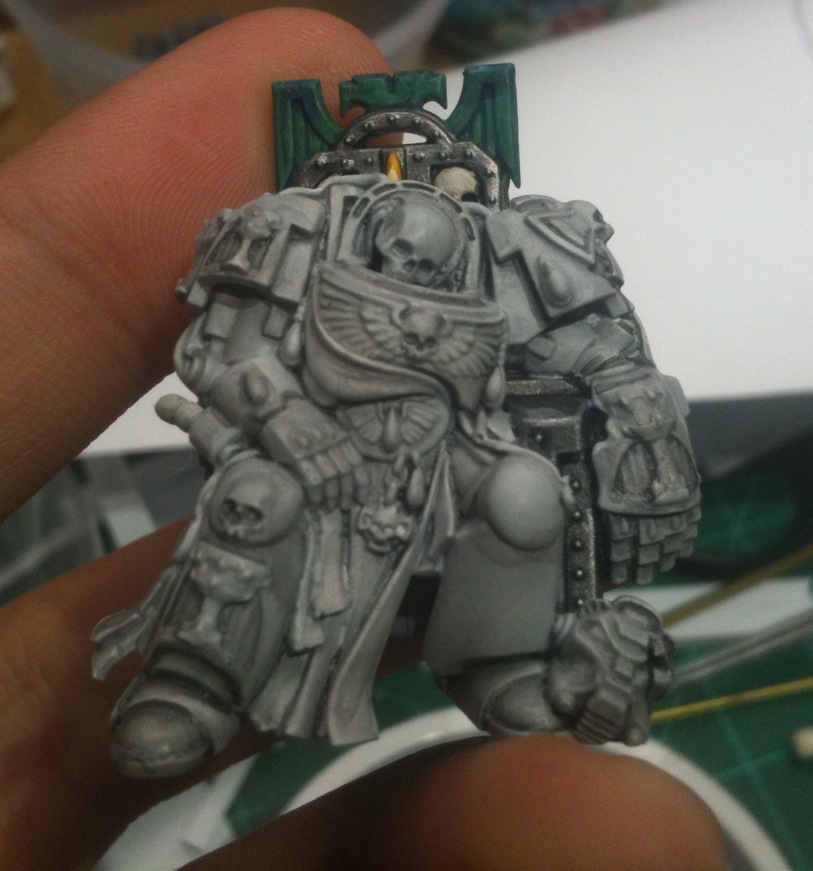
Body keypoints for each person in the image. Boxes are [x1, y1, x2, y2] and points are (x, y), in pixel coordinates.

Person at [0, 10, 726, 869]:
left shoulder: (504, 240)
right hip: (303, 437)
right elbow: (217, 352)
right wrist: (291, 419)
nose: (412, 282)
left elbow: (582, 336)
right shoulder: (295, 231)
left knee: (527, 494)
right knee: (257, 498)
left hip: (453, 438)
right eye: (399, 256)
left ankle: (494, 659)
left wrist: (628, 390)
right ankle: (198, 676)